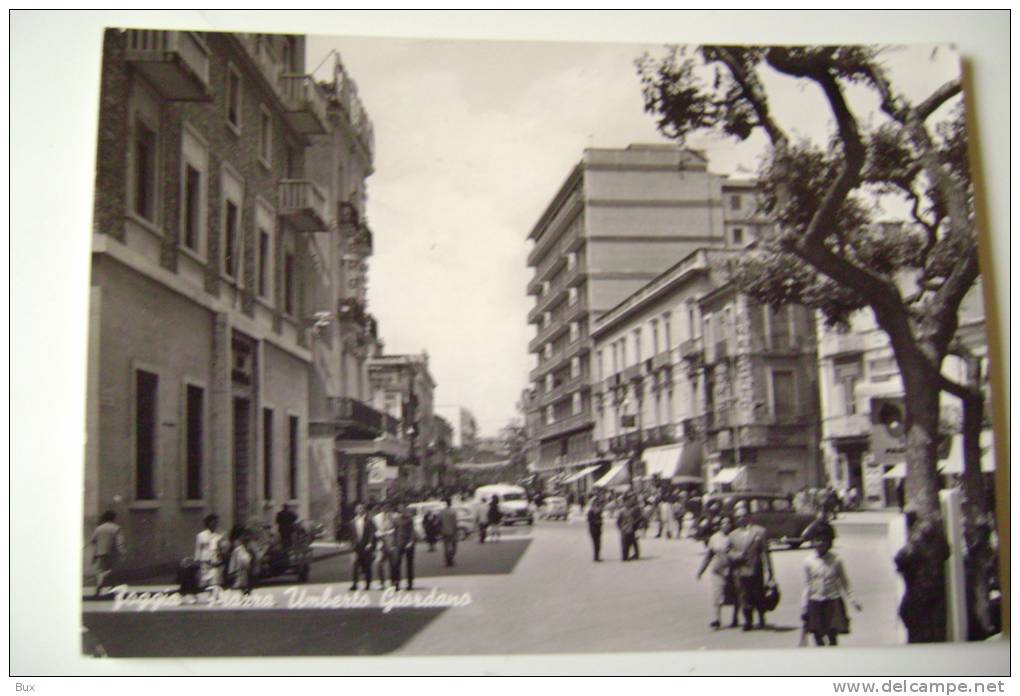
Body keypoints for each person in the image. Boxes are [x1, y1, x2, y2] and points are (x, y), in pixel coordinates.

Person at [801, 525, 861, 646]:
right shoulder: (808, 561)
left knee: (832, 635)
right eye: (818, 540)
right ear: (812, 542)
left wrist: (853, 599)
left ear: (830, 542)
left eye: (824, 540)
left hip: (832, 602)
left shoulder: (836, 560)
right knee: (817, 635)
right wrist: (804, 605)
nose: (821, 543)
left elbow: (845, 582)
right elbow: (808, 585)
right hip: (815, 601)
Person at [729, 503, 774, 631]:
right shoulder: (732, 535)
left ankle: (761, 618)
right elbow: (729, 552)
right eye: (738, 517)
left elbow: (766, 552)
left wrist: (770, 572)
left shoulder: (759, 531)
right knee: (744, 596)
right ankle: (748, 621)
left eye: (743, 516)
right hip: (740, 570)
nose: (740, 519)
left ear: (749, 517)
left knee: (758, 594)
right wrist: (736, 556)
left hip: (756, 569)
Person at [697, 515, 739, 629]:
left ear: (731, 524)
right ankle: (717, 619)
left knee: (734, 594)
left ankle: (735, 618)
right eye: (723, 523)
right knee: (717, 594)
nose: (725, 525)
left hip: (733, 570)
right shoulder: (714, 538)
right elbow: (708, 555)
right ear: (720, 525)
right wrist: (701, 570)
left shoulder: (735, 536)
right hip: (718, 570)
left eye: (728, 523)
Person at [88, 510, 126, 597]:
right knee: (112, 571)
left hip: (100, 553)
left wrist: (95, 554)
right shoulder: (116, 528)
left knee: (100, 571)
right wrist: (122, 552)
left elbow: (93, 541)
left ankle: (98, 589)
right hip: (112, 553)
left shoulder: (98, 528)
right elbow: (119, 542)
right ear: (113, 518)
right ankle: (112, 588)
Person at [391, 502, 418, 590]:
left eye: (402, 508)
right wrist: (393, 544)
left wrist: (411, 542)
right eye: (399, 508)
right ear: (398, 510)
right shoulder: (396, 520)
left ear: (405, 509)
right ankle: (396, 583)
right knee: (396, 563)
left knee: (409, 564)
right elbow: (394, 533)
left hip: (408, 544)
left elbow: (412, 531)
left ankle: (409, 583)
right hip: (399, 544)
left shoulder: (409, 519)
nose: (401, 510)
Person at [349, 503, 376, 591]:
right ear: (355, 511)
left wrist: (370, 543)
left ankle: (368, 584)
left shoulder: (368, 520)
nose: (360, 510)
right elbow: (352, 535)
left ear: (364, 510)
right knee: (355, 565)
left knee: (367, 565)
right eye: (358, 509)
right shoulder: (353, 521)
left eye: (361, 508)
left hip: (366, 546)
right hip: (356, 546)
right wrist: (352, 544)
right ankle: (354, 584)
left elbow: (372, 533)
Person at [195, 514, 225, 591]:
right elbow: (198, 549)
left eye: (215, 523)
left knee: (214, 581)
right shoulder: (201, 535)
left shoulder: (218, 536)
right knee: (204, 580)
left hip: (214, 561)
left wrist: (220, 558)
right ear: (208, 523)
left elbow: (220, 550)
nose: (214, 525)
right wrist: (197, 560)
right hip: (204, 561)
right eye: (212, 522)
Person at [373, 502, 396, 590]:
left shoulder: (394, 516)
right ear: (381, 508)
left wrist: (389, 533)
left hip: (391, 542)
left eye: (387, 507)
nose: (386, 509)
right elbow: (374, 530)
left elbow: (396, 528)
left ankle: (393, 582)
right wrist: (378, 535)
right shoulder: (376, 518)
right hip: (381, 543)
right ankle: (381, 583)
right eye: (384, 507)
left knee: (393, 563)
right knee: (379, 563)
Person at [227, 524, 255, 594]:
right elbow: (242, 561)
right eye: (243, 535)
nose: (244, 537)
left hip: (242, 574)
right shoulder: (237, 549)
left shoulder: (241, 547)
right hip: (239, 574)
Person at [617, 494, 642, 561]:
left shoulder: (632, 509)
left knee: (631, 542)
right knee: (625, 543)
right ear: (625, 502)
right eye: (628, 501)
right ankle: (625, 557)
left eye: (629, 501)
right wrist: (621, 528)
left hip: (631, 528)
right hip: (624, 529)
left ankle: (633, 555)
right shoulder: (622, 511)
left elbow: (636, 518)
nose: (629, 502)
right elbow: (618, 521)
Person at [439, 498, 459, 567]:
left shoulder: (442, 512)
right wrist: (456, 531)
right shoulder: (453, 512)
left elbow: (439, 522)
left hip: (444, 531)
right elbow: (455, 523)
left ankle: (447, 561)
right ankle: (451, 559)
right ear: (451, 503)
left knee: (446, 546)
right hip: (452, 531)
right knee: (454, 546)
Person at [586, 493, 605, 562]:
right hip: (593, 529)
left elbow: (601, 518)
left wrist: (600, 521)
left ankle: (597, 556)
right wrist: (597, 522)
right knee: (595, 543)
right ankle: (596, 557)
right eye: (595, 502)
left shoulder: (599, 511)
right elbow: (589, 520)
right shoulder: (590, 511)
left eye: (597, 502)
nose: (597, 503)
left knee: (599, 543)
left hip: (598, 529)